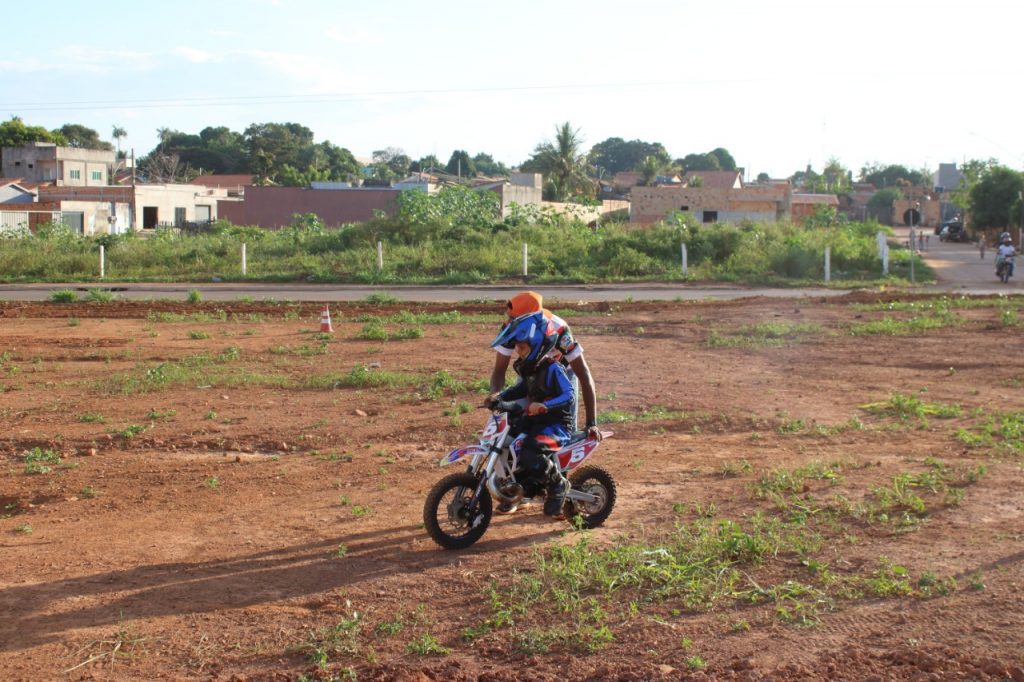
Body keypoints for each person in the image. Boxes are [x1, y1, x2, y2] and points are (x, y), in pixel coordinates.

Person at [487, 312, 576, 518]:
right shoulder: (529, 368)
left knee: (530, 450)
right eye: (517, 347)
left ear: (537, 345)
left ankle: (558, 484)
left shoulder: (553, 368)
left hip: (557, 425)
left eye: (522, 347)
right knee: (511, 440)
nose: (518, 351)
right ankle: (525, 484)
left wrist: (545, 406)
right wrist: (499, 397)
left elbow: (569, 395)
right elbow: (520, 390)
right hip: (537, 421)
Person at [489, 292, 601, 442]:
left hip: (562, 374)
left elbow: (584, 375)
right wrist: (496, 398)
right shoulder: (509, 328)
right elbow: (499, 370)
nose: (508, 321)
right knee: (516, 423)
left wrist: (591, 423)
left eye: (513, 317)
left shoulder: (558, 329)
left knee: (562, 435)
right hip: (530, 372)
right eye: (509, 316)